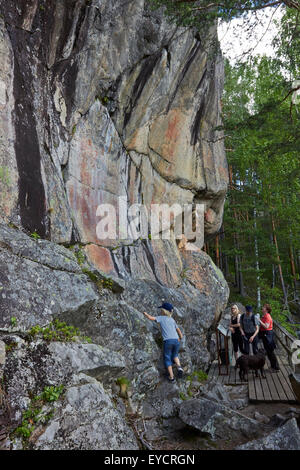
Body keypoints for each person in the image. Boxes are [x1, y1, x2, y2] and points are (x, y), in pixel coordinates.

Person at [143, 302, 184, 383]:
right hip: (176, 340)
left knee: (167, 358)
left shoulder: (161, 318)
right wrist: (180, 338)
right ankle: (179, 367)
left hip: (168, 341)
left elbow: (151, 318)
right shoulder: (172, 320)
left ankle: (171, 377)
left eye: (161, 309)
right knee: (175, 355)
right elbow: (178, 330)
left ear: (164, 311)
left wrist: (146, 314)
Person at [258, 304, 280, 372]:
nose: (262, 308)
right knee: (268, 351)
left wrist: (259, 320)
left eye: (264, 307)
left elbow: (266, 326)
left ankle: (276, 368)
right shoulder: (264, 316)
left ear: (266, 310)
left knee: (270, 351)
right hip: (265, 334)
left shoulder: (267, 316)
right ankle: (273, 366)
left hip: (268, 335)